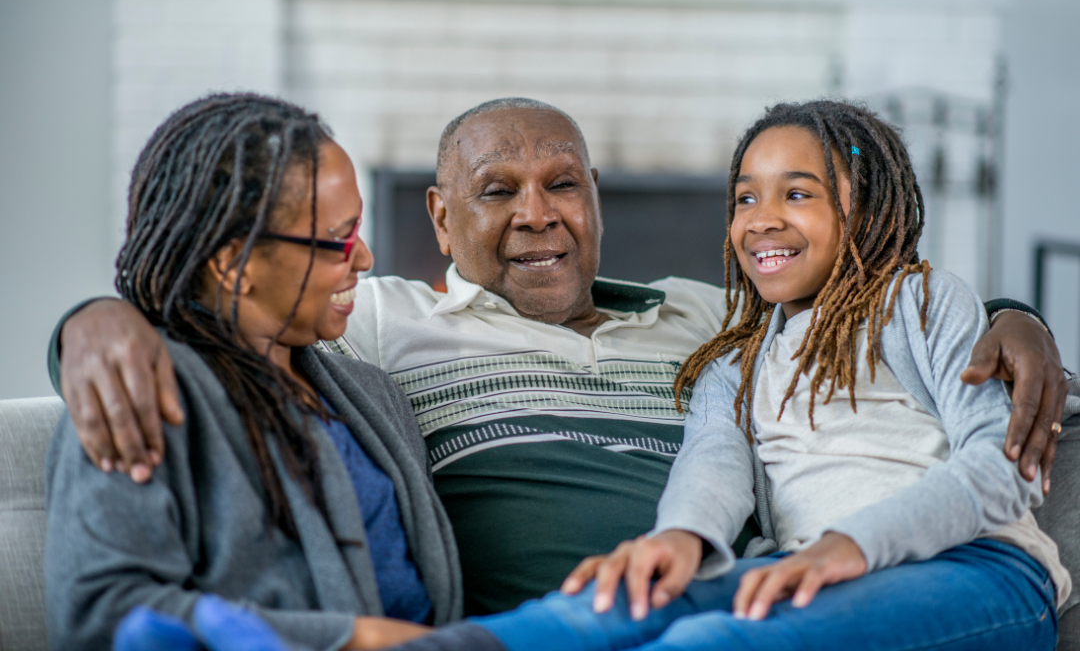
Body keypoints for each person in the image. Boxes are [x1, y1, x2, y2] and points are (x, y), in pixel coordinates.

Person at [48, 98, 1074, 616]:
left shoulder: (719, 322)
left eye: (565, 185)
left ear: (597, 202)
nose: (538, 214)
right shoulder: (375, 316)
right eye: (498, 191)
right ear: (440, 219)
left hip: (725, 601)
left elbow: (868, 299)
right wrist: (95, 323)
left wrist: (1017, 315)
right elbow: (213, 308)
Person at [403, 100, 1074, 651]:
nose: (763, 218)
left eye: (798, 192)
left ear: (864, 209)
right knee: (611, 606)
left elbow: (1001, 467)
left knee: (717, 640)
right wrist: (677, 539)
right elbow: (712, 466)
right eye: (745, 197)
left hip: (975, 568)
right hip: (810, 572)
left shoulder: (920, 300)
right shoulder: (734, 357)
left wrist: (852, 545)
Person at [45, 94, 479, 650]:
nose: (365, 258)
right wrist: (355, 638)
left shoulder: (376, 395)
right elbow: (103, 615)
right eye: (339, 239)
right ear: (236, 263)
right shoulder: (139, 392)